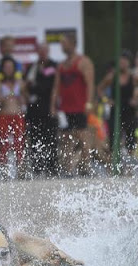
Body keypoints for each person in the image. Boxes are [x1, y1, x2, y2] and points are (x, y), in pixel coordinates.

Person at [50, 33, 95, 177]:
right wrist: (53, 105)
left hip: (79, 107)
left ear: (72, 43)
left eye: (64, 43)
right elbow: (56, 87)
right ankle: (68, 168)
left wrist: (88, 103)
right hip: (65, 108)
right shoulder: (62, 65)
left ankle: (85, 167)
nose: (62, 46)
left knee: (83, 137)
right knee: (65, 138)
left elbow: (90, 84)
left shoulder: (83, 62)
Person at [97, 50, 138, 156]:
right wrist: (106, 100)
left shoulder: (134, 77)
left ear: (129, 63)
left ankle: (130, 169)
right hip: (115, 110)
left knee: (131, 141)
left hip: (129, 111)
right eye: (120, 61)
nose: (122, 63)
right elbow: (99, 89)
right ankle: (113, 166)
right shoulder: (112, 77)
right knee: (113, 141)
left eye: (124, 61)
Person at [24, 42, 58, 177]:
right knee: (35, 138)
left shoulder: (54, 66)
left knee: (50, 139)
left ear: (48, 51)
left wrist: (53, 106)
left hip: (48, 107)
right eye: (40, 50)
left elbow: (55, 87)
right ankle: (37, 168)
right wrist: (27, 97)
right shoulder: (32, 67)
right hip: (34, 109)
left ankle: (52, 168)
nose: (42, 53)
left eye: (45, 50)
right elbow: (25, 86)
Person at [0, 55, 26, 179]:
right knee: (3, 144)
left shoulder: (20, 82)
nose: (8, 70)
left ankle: (20, 172)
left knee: (19, 144)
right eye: (6, 67)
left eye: (10, 67)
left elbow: (26, 98)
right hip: (4, 116)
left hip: (17, 116)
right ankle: (4, 172)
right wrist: (4, 98)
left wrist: (21, 98)